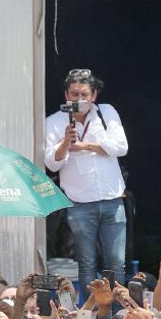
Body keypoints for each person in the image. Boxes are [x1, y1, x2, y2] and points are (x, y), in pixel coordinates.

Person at [44, 68, 129, 291]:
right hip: (80, 203)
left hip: (112, 199)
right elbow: (52, 163)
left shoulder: (106, 112)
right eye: (74, 95)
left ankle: (117, 315)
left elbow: (121, 147)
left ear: (94, 96)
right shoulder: (54, 121)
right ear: (66, 96)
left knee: (116, 262)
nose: (79, 99)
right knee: (87, 263)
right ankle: (90, 313)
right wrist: (65, 143)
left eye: (84, 95)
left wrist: (85, 145)